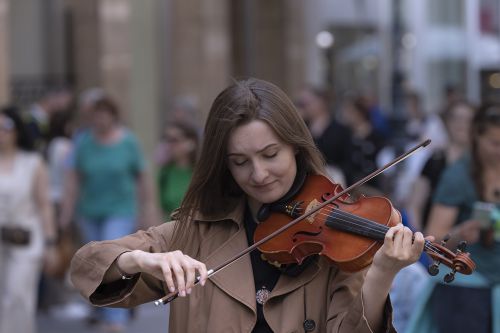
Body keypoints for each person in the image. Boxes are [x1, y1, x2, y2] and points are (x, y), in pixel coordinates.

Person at [70, 78, 426, 333]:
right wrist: (140, 259)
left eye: (270, 155)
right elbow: (87, 265)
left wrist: (382, 273)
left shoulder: (336, 246)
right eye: (240, 161)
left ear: (296, 148)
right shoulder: (197, 231)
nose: (258, 174)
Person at [60, 96, 158, 332]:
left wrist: (148, 207)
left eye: (105, 113)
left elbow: (143, 177)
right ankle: (103, 307)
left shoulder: (128, 142)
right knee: (95, 261)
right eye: (96, 114)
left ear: (113, 115)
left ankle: (116, 321)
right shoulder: (82, 142)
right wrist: (65, 213)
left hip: (120, 210)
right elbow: (73, 180)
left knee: (111, 258)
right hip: (90, 210)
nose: (100, 118)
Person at [407, 103, 500, 333]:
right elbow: (433, 239)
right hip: (467, 290)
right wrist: (460, 233)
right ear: (477, 137)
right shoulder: (457, 175)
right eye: (495, 143)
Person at [0, 106, 58, 333]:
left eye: (5, 127)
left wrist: (50, 242)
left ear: (16, 131)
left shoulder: (33, 163)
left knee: (18, 295)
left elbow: (44, 205)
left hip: (25, 237)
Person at [406, 101, 475, 231]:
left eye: (468, 119)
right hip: (433, 240)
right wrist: (419, 237)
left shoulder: (480, 161)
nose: (462, 124)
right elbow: (415, 204)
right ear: (447, 122)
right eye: (456, 118)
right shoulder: (435, 159)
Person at [157, 121, 200, 218]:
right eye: (167, 140)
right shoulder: (165, 172)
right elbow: (159, 208)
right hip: (168, 229)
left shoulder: (201, 173)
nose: (169, 145)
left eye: (174, 140)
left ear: (191, 143)